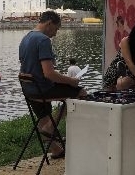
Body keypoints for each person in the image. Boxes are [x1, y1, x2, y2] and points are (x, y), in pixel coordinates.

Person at [18, 10, 87, 158]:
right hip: (42, 89)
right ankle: (52, 128)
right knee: (80, 92)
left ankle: (56, 149)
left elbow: (30, 66)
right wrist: (72, 81)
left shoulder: (26, 38)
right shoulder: (43, 40)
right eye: (56, 29)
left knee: (44, 117)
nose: (55, 34)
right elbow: (48, 73)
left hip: (29, 90)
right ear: (49, 24)